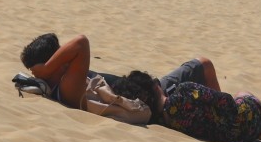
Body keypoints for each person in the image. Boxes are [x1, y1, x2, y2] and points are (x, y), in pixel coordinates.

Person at [112, 71, 261, 142]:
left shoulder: (162, 121)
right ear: (154, 88)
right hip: (240, 129)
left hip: (224, 135)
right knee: (246, 96)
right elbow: (225, 101)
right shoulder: (184, 90)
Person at [18, 32, 222, 107]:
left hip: (145, 88)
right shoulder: (67, 87)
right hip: (151, 96)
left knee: (201, 70)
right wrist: (46, 69)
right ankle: (228, 113)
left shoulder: (65, 81)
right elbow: (81, 42)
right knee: (204, 65)